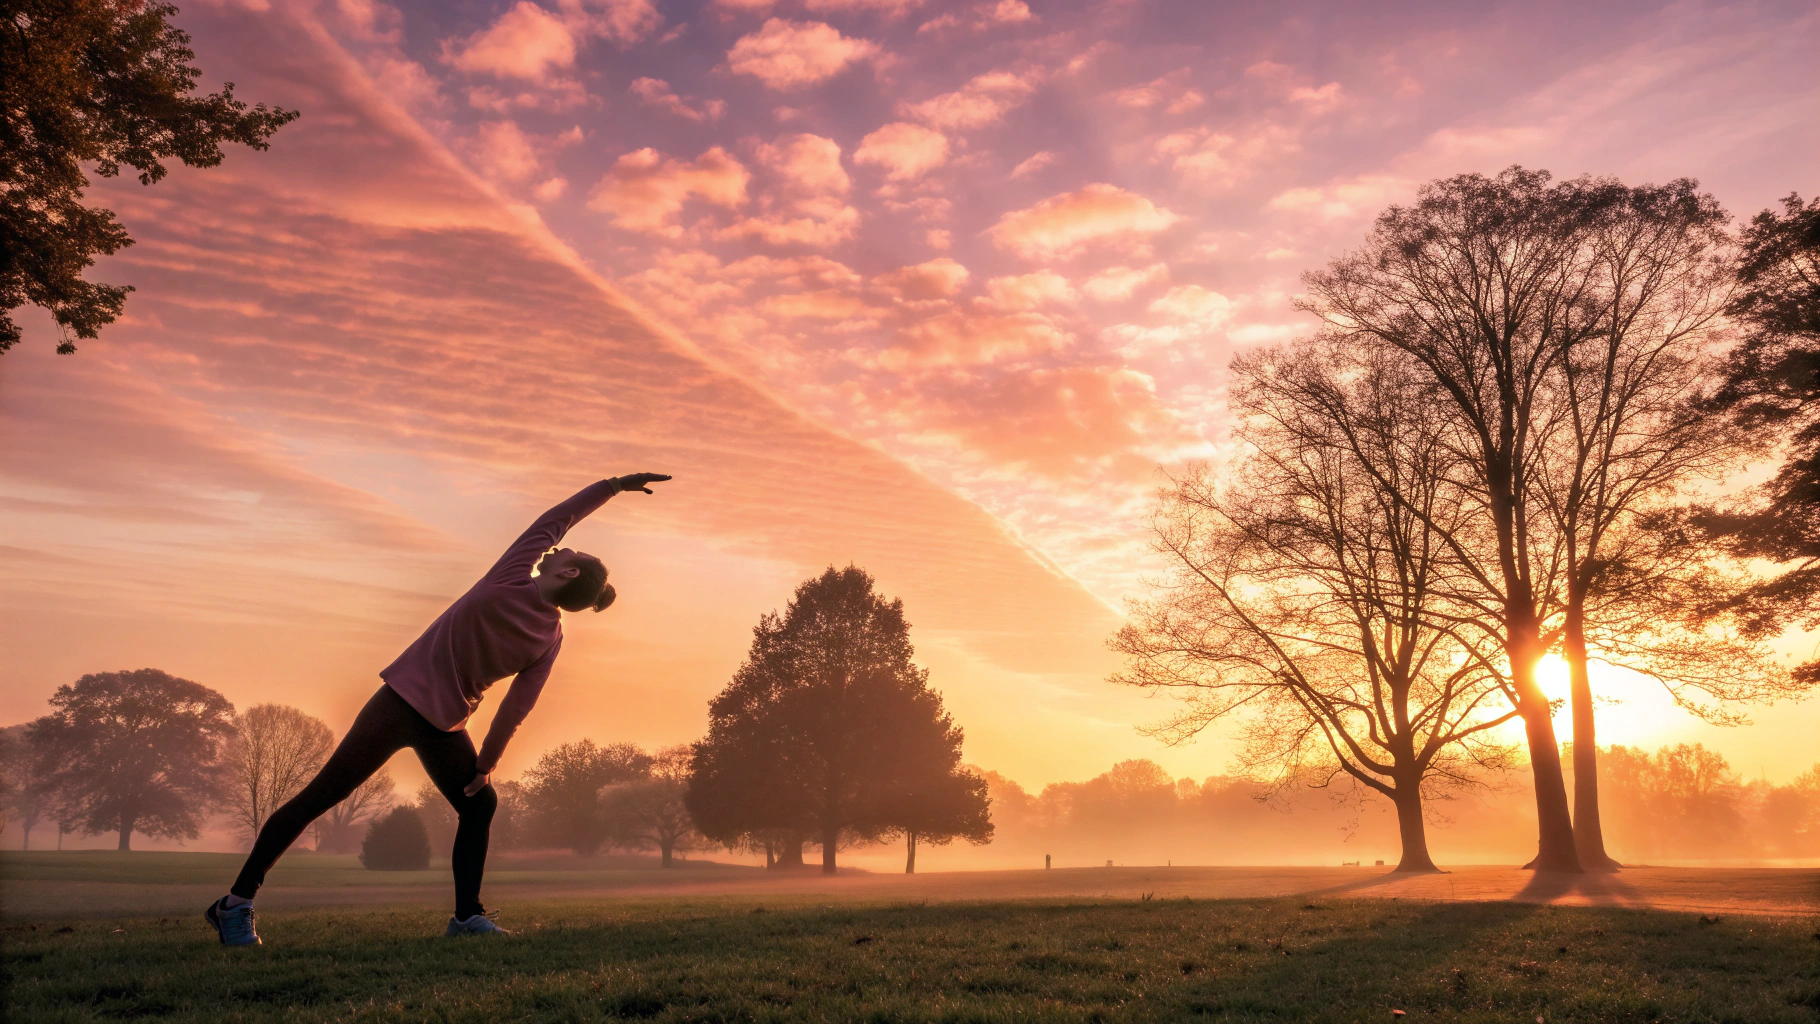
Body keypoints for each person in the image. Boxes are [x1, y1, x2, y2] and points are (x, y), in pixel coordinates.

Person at [205, 473, 672, 946]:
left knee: (436, 804)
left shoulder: (511, 577)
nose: (558, 548)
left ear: (569, 574)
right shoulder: (551, 637)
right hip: (418, 713)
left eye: (569, 553)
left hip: (421, 716)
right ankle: (234, 905)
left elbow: (557, 520)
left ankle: (467, 917)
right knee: (343, 797)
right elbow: (517, 708)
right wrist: (486, 764)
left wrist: (613, 486)